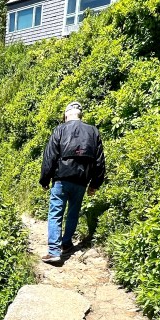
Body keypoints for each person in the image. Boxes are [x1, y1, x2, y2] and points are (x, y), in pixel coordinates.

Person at [39, 101, 105, 265]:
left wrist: (45, 179)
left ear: (67, 114)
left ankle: (54, 252)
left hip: (61, 179)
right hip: (81, 181)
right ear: (80, 115)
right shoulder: (93, 131)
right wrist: (95, 184)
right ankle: (66, 244)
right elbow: (99, 161)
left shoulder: (60, 129)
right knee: (73, 213)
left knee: (56, 213)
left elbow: (50, 156)